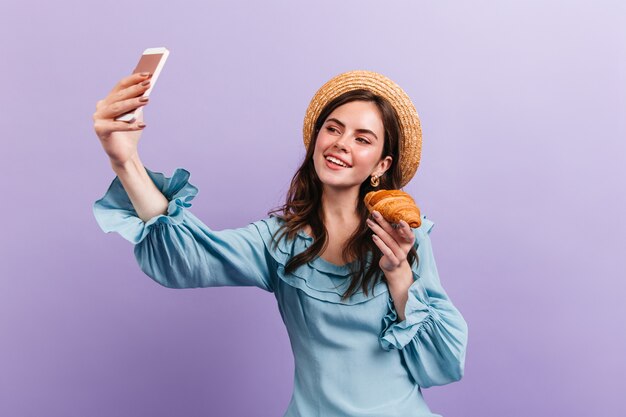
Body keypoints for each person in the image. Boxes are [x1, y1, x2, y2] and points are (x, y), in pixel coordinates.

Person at [92, 70, 468, 417]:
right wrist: (125, 160)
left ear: (381, 166)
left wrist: (399, 273)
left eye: (362, 138)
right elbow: (185, 257)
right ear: (317, 138)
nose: (340, 144)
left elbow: (443, 363)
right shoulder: (277, 241)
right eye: (333, 129)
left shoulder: (405, 236)